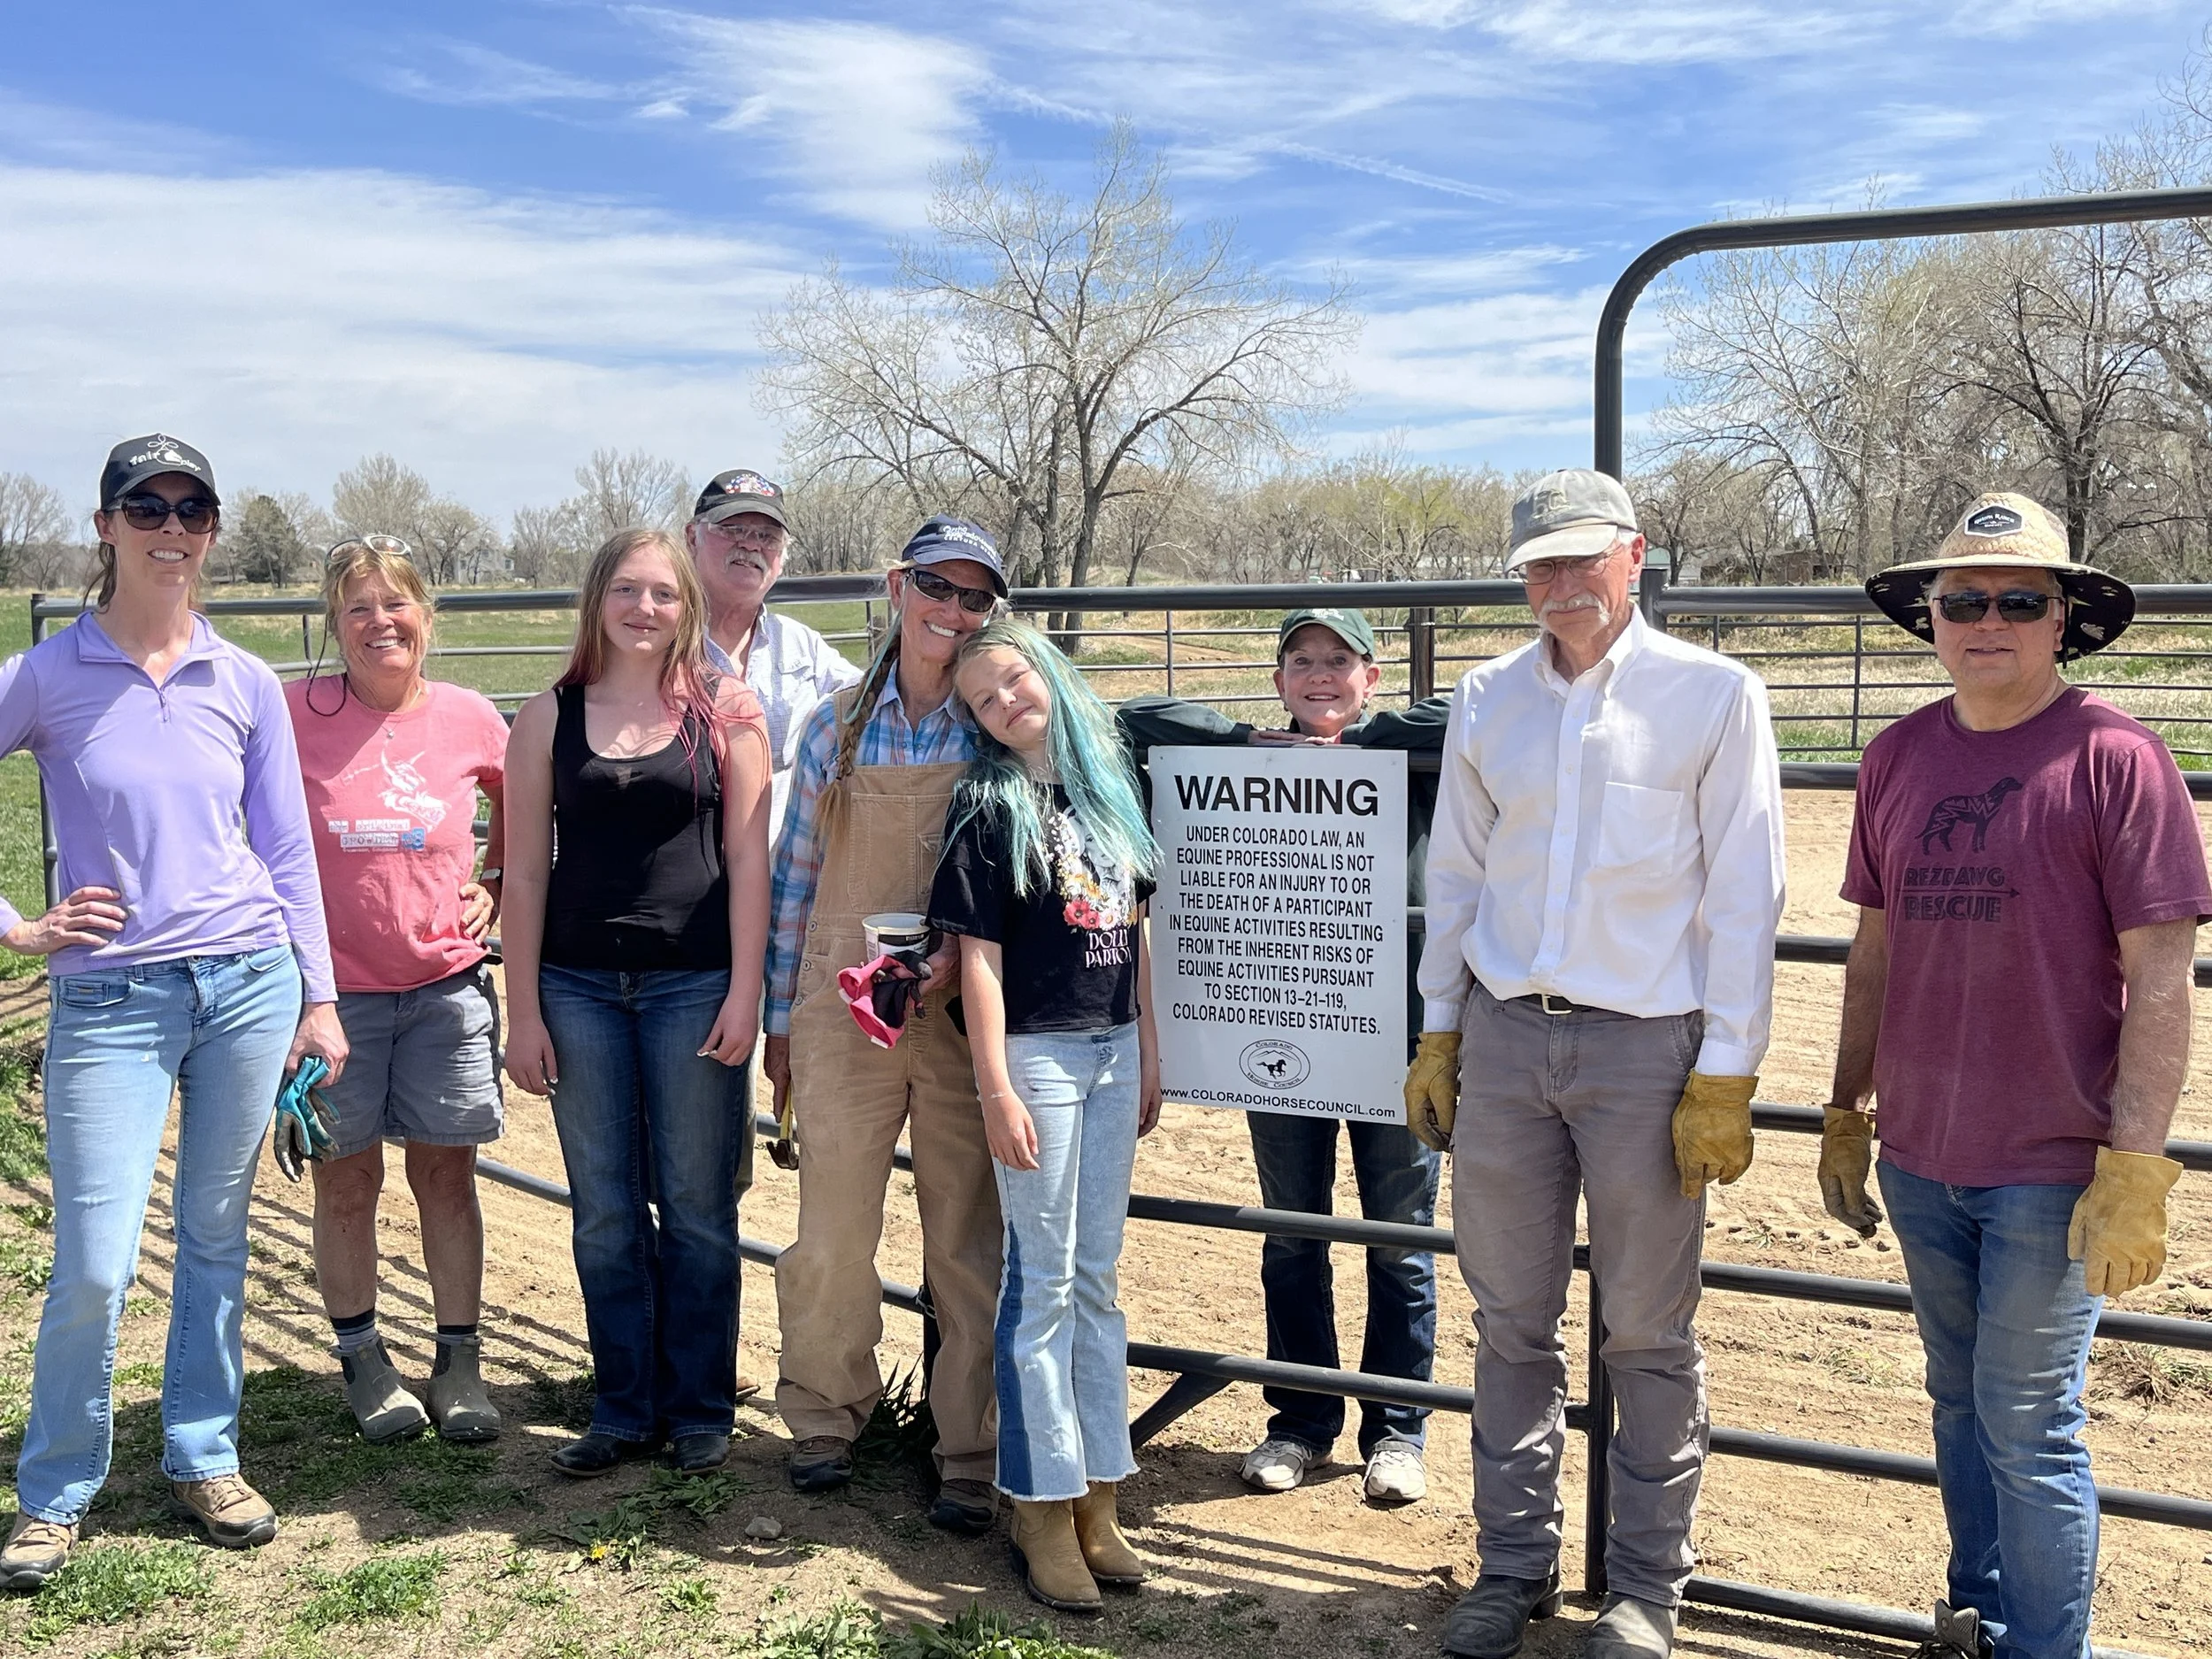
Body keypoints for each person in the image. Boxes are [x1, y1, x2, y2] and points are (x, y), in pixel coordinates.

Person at [1818, 495, 2207, 1659]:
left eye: (2020, 598)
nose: (1989, 618)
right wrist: (1845, 1107)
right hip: (1922, 1155)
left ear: (2064, 616)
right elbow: (1873, 951)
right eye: (1964, 599)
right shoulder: (1896, 754)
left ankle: (2046, 1645)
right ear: (1930, 618)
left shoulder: (2119, 757)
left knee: (2030, 1420)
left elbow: (2165, 978)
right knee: (1958, 1399)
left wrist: (2135, 1161)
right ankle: (1978, 1612)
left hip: (2054, 1165)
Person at [1409, 469, 1786, 1659]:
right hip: (1510, 1033)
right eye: (1540, 565)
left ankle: (1644, 1590)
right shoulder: (1486, 697)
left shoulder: (1714, 695)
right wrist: (1440, 1025)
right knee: (1510, 1318)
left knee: (1648, 1332)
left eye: (1583, 560)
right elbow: (1456, 875)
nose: (1561, 584)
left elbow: (1745, 887)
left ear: (1636, 557)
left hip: (1646, 1045)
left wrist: (1726, 1066)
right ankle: (1512, 1565)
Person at [0, 436, 344, 1588]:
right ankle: (54, 1485)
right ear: (104, 524)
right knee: (97, 1257)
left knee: (213, 1231)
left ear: (210, 530)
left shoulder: (242, 679)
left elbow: (288, 848)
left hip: (247, 982)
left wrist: (320, 995)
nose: (172, 525)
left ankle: (204, 1448)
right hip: (107, 996)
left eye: (192, 507)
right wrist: (20, 926)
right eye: (146, 504)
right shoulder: (48, 673)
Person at [1117, 608, 1446, 1503]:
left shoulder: (1407, 757)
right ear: (1276, 682)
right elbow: (1131, 720)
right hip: (1285, 1020)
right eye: (1299, 661)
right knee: (1294, 1233)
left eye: (1338, 661)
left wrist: (1365, 742)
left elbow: (1472, 714)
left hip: (1398, 1034)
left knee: (1398, 1240)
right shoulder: (1247, 757)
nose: (1319, 676)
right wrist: (1243, 737)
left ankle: (1395, 1427)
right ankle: (1300, 1420)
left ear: (1371, 675)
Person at [500, 528, 772, 1479]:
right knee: (605, 1209)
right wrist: (519, 1007)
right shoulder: (547, 716)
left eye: (662, 593)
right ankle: (622, 1405)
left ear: (686, 605)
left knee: (698, 1204)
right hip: (574, 987)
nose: (644, 609)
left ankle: (700, 1405)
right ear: (597, 600)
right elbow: (524, 874)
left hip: (693, 985)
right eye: (626, 589)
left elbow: (749, 862)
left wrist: (747, 990)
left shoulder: (727, 712)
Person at [762, 516, 1005, 1533]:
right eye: (934, 588)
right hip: (840, 1003)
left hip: (962, 1010)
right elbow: (795, 879)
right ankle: (823, 1414)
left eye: (972, 597)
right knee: (831, 1225)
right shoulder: (835, 724)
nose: (950, 611)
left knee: (965, 1230)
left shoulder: (998, 724)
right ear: (896, 587)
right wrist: (783, 1019)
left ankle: (972, 1447)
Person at [929, 619, 1162, 1612]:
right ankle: (1039, 1502)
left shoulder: (1110, 787)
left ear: (1048, 674)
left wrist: (1152, 1045)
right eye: (982, 700)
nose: (1004, 704)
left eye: (1013, 681)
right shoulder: (987, 806)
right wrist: (994, 1085)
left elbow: (1135, 925)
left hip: (1113, 1048)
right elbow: (975, 959)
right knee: (1043, 1284)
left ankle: (1099, 1497)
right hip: (1040, 1056)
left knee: (1099, 1281)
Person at [286, 536, 510, 1446]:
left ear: (428, 615)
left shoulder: (469, 715)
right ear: (335, 627)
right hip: (332, 997)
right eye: (358, 609)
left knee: (447, 1175)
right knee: (347, 1182)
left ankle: (458, 1361)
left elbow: (529, 810)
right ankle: (363, 1357)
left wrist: (497, 879)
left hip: (445, 986)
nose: (381, 622)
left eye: (397, 604)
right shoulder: (292, 713)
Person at [683, 469, 861, 833]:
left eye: (768, 537)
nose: (750, 545)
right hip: (683, 871)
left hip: (784, 869)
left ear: (781, 557)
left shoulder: (802, 647)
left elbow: (872, 701)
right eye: (732, 529)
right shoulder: (658, 644)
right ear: (692, 537)